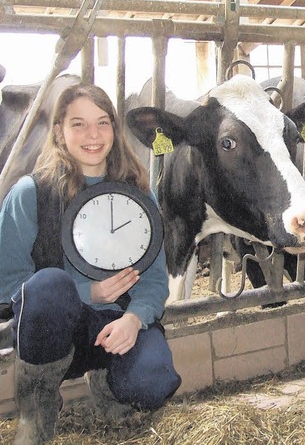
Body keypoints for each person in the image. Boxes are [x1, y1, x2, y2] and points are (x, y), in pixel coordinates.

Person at [0, 83, 181, 444]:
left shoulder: (139, 194)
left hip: (117, 325)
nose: (93, 135)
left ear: (115, 128)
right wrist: (87, 291)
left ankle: (109, 385)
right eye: (78, 124)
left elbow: (155, 279)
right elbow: (7, 281)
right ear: (59, 131)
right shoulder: (31, 193)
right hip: (54, 333)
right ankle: (37, 409)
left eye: (102, 122)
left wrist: (134, 318)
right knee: (49, 284)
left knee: (153, 380)